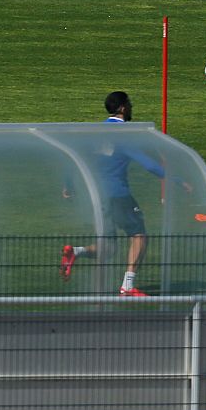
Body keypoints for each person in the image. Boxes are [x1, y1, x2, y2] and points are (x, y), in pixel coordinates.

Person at [60, 92, 174, 297]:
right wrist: (177, 180)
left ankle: (75, 252)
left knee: (110, 248)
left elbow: (76, 158)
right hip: (118, 195)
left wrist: (68, 184)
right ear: (122, 108)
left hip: (98, 197)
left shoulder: (96, 132)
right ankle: (128, 286)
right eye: (129, 104)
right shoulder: (123, 134)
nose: (131, 108)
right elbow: (149, 165)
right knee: (139, 235)